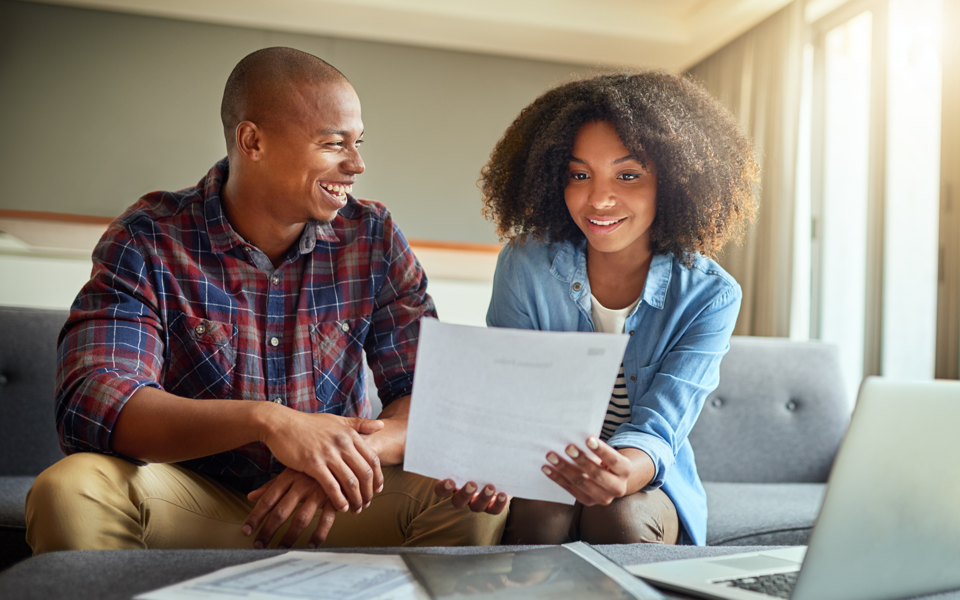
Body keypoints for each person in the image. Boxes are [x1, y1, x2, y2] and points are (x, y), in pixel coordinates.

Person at [25, 47, 506, 552]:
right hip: (192, 498)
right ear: (252, 141)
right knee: (70, 489)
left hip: (333, 504)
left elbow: (430, 395)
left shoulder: (374, 237)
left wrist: (334, 459)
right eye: (333, 143)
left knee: (467, 495)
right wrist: (270, 422)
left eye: (358, 142)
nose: (357, 163)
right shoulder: (148, 237)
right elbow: (96, 401)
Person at [436, 72, 759, 546]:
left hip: (643, 481)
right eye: (579, 174)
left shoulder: (710, 295)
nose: (599, 198)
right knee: (543, 512)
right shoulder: (525, 264)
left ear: (673, 185)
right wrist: (486, 460)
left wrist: (619, 473)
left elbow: (660, 427)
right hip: (542, 468)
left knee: (617, 516)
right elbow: (510, 399)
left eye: (628, 176)